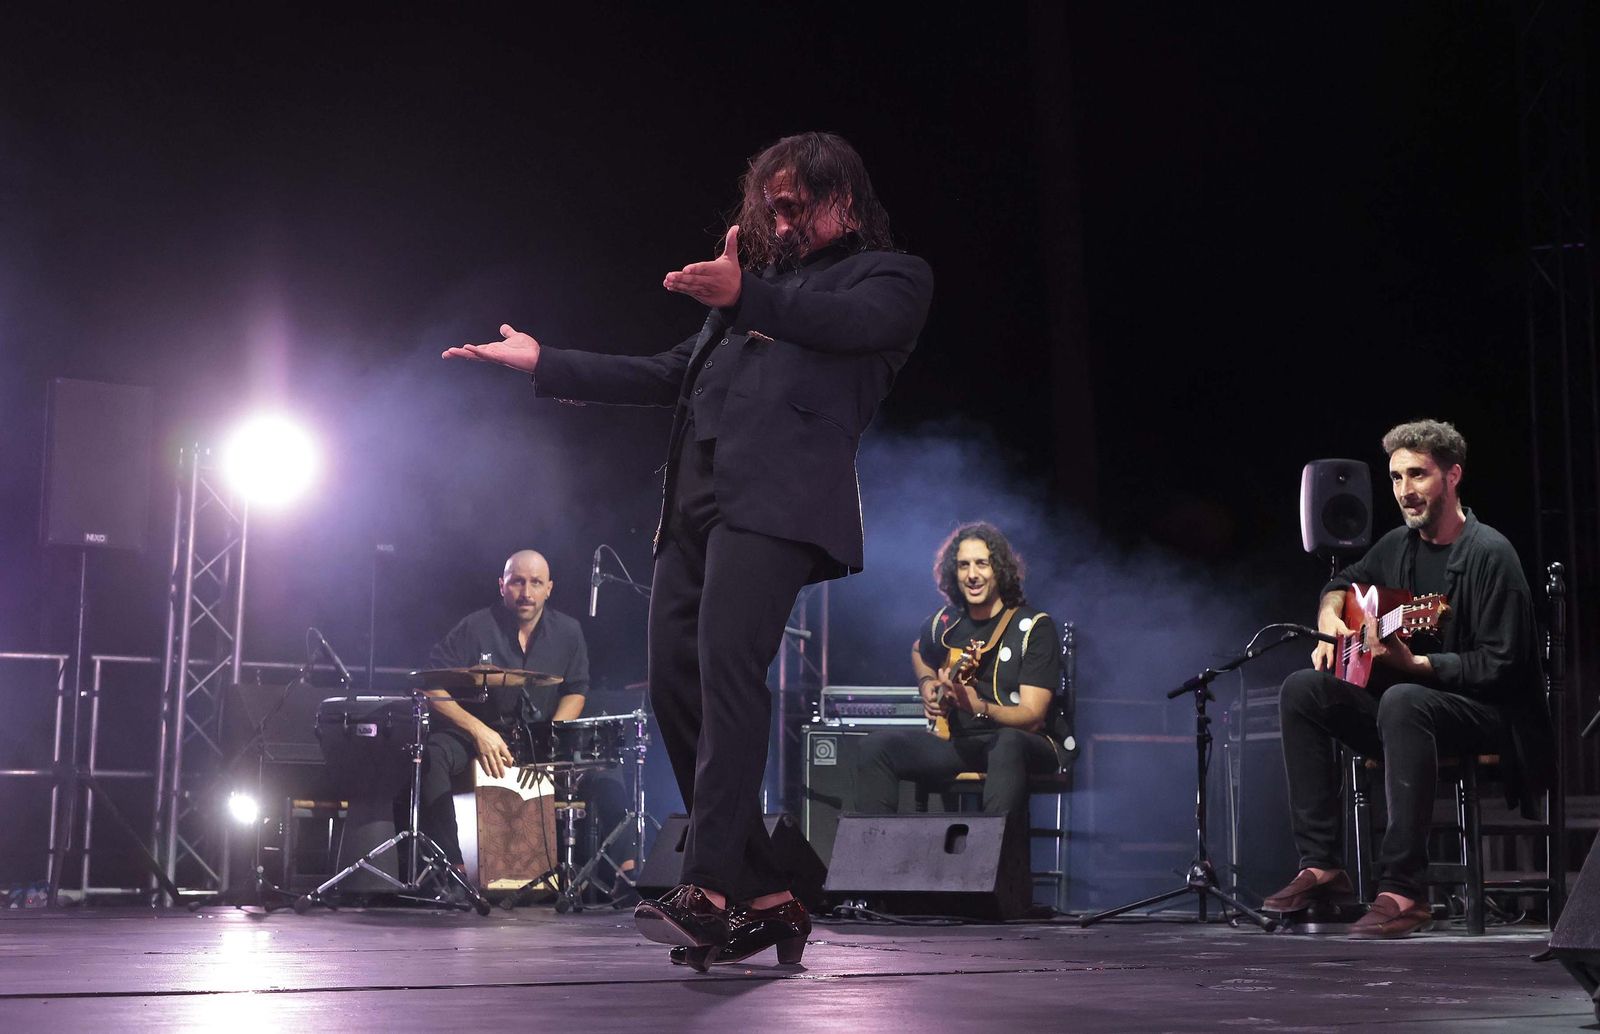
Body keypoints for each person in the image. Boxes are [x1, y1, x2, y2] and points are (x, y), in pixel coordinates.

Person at [441, 131, 934, 969]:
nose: (780, 218)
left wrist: (746, 295)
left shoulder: (888, 277)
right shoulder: (753, 297)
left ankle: (708, 889)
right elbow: (665, 372)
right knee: (676, 687)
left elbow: (840, 324)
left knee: (727, 672)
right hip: (694, 508)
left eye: (797, 203)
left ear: (844, 201)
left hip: (777, 507)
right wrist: (544, 362)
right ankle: (773, 893)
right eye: (770, 204)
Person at [1263, 419, 1553, 938]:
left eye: (1417, 475)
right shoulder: (1397, 546)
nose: (1403, 491)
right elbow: (1342, 582)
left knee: (1402, 698)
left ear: (1453, 475)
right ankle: (1324, 868)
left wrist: (1417, 665)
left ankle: (1404, 889)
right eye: (1396, 478)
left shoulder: (1491, 556)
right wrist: (1331, 614)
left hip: (1486, 713)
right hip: (1413, 712)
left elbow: (1502, 666)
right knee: (1302, 690)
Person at [854, 523, 1064, 822]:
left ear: (1000, 569)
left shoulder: (1034, 627)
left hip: (1026, 744)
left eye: (982, 564)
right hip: (963, 744)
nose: (972, 575)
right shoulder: (945, 622)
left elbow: (1032, 715)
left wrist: (980, 708)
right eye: (963, 565)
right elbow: (918, 650)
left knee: (1007, 742)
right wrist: (927, 682)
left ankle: (994, 862)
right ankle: (875, 856)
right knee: (876, 747)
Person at [418, 549, 589, 867]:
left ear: (549, 588)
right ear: (501, 585)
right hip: (477, 740)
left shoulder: (568, 631)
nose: (526, 593)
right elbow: (429, 683)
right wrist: (477, 730)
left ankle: (621, 877)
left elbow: (576, 691)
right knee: (432, 754)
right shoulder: (475, 627)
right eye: (517, 582)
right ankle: (451, 868)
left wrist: (550, 741)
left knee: (609, 771)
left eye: (536, 583)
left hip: (539, 741)